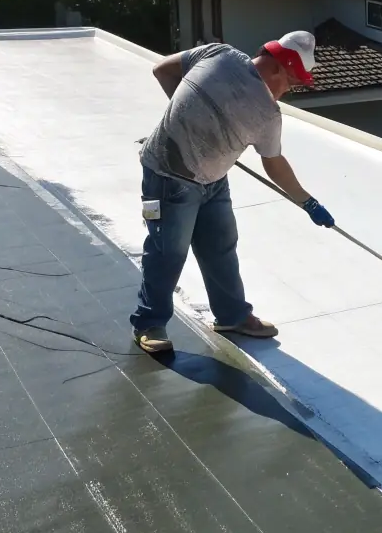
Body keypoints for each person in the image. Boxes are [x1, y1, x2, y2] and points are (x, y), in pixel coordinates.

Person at [130, 31, 335, 353]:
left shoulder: (220, 55)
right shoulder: (228, 68)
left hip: (213, 180)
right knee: (167, 252)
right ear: (278, 67)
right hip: (167, 177)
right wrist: (185, 118)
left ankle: (232, 316)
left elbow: (163, 70)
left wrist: (308, 202)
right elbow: (274, 164)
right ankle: (149, 323)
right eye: (291, 83)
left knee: (220, 247)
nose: (288, 91)